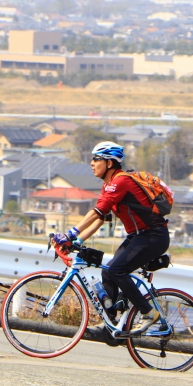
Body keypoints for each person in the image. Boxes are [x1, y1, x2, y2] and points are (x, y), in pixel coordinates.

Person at [51, 141, 169, 336]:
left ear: (109, 163)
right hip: (138, 236)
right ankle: (111, 324)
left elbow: (96, 212)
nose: (92, 163)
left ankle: (149, 313)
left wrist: (70, 234)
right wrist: (76, 242)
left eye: (96, 159)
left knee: (117, 270)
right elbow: (101, 219)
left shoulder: (121, 182)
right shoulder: (108, 186)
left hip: (153, 236)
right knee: (108, 272)